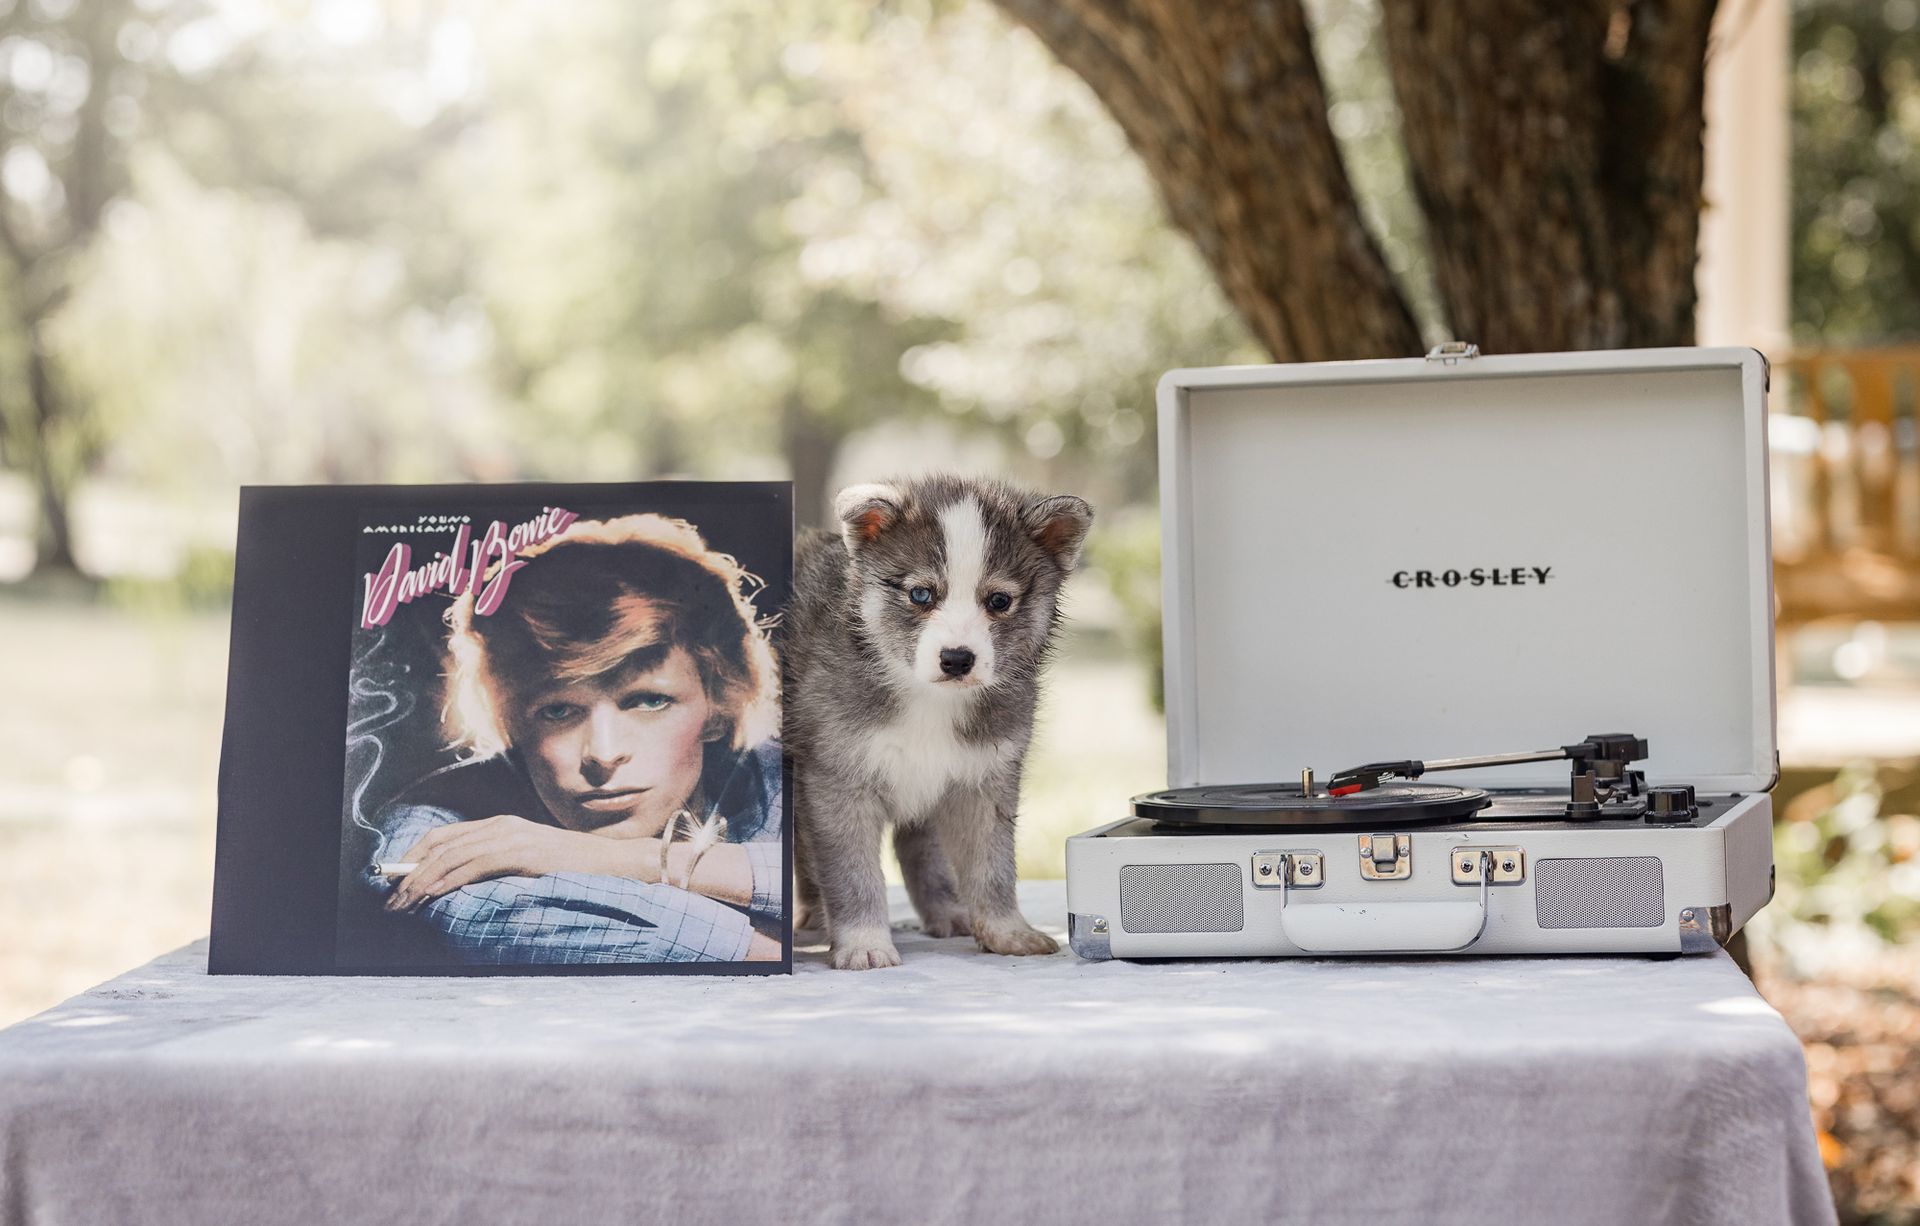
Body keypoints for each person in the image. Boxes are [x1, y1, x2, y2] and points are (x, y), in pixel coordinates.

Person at [368, 513, 784, 964]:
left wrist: (603, 857)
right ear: (512, 723)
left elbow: (830, 891)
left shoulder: (778, 778)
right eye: (559, 711)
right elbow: (470, 916)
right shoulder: (433, 818)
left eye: (648, 702)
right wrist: (768, 941)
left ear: (718, 706)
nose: (603, 754)